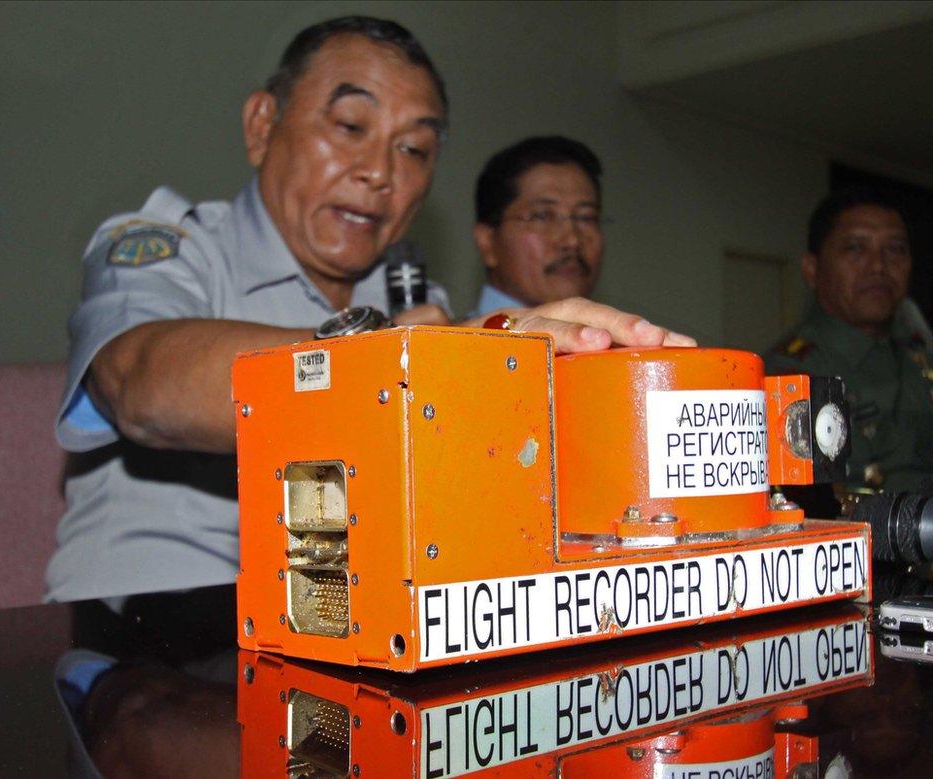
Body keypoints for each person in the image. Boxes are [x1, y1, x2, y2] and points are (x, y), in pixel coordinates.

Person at [47, 16, 694, 604]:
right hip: (150, 642)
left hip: (353, 636)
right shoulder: (173, 249)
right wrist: (402, 357)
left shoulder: (413, 300)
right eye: (351, 127)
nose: (379, 172)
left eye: (412, 149)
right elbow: (142, 383)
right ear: (261, 126)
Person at [764, 187, 933, 493]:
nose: (879, 266)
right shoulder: (790, 374)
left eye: (895, 249)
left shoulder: (920, 352)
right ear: (812, 270)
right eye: (855, 248)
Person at [471, 136, 604, 316]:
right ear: (487, 242)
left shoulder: (631, 340)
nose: (572, 240)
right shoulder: (444, 342)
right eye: (542, 216)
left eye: (586, 217)